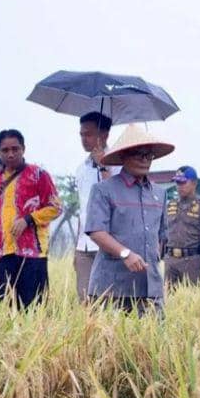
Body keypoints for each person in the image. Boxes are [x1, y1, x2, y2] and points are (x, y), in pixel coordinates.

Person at [85, 124, 172, 318]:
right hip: (112, 288)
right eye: (138, 154)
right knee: (109, 345)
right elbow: (96, 231)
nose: (145, 160)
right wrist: (125, 253)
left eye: (148, 155)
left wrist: (152, 256)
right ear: (123, 156)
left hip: (150, 288)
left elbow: (162, 235)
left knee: (154, 344)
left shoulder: (160, 194)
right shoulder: (104, 190)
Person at [0, 129, 61, 309]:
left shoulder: (38, 175)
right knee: (3, 310)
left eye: (15, 149)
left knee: (34, 311)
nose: (10, 154)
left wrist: (29, 219)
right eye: (5, 150)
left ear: (23, 149)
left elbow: (56, 207)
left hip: (33, 255)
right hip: (2, 254)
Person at [74, 112, 120, 302]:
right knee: (86, 302)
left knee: (110, 301)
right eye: (82, 134)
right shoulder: (81, 169)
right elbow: (82, 211)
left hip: (109, 245)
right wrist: (75, 249)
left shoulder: (119, 166)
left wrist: (104, 166)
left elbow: (117, 201)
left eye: (89, 134)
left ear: (105, 135)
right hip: (84, 246)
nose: (84, 139)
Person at [163, 166, 200, 287]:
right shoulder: (169, 205)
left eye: (183, 182)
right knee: (168, 302)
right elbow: (162, 232)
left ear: (194, 183)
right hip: (170, 261)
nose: (179, 186)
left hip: (192, 262)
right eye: (177, 182)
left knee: (192, 302)